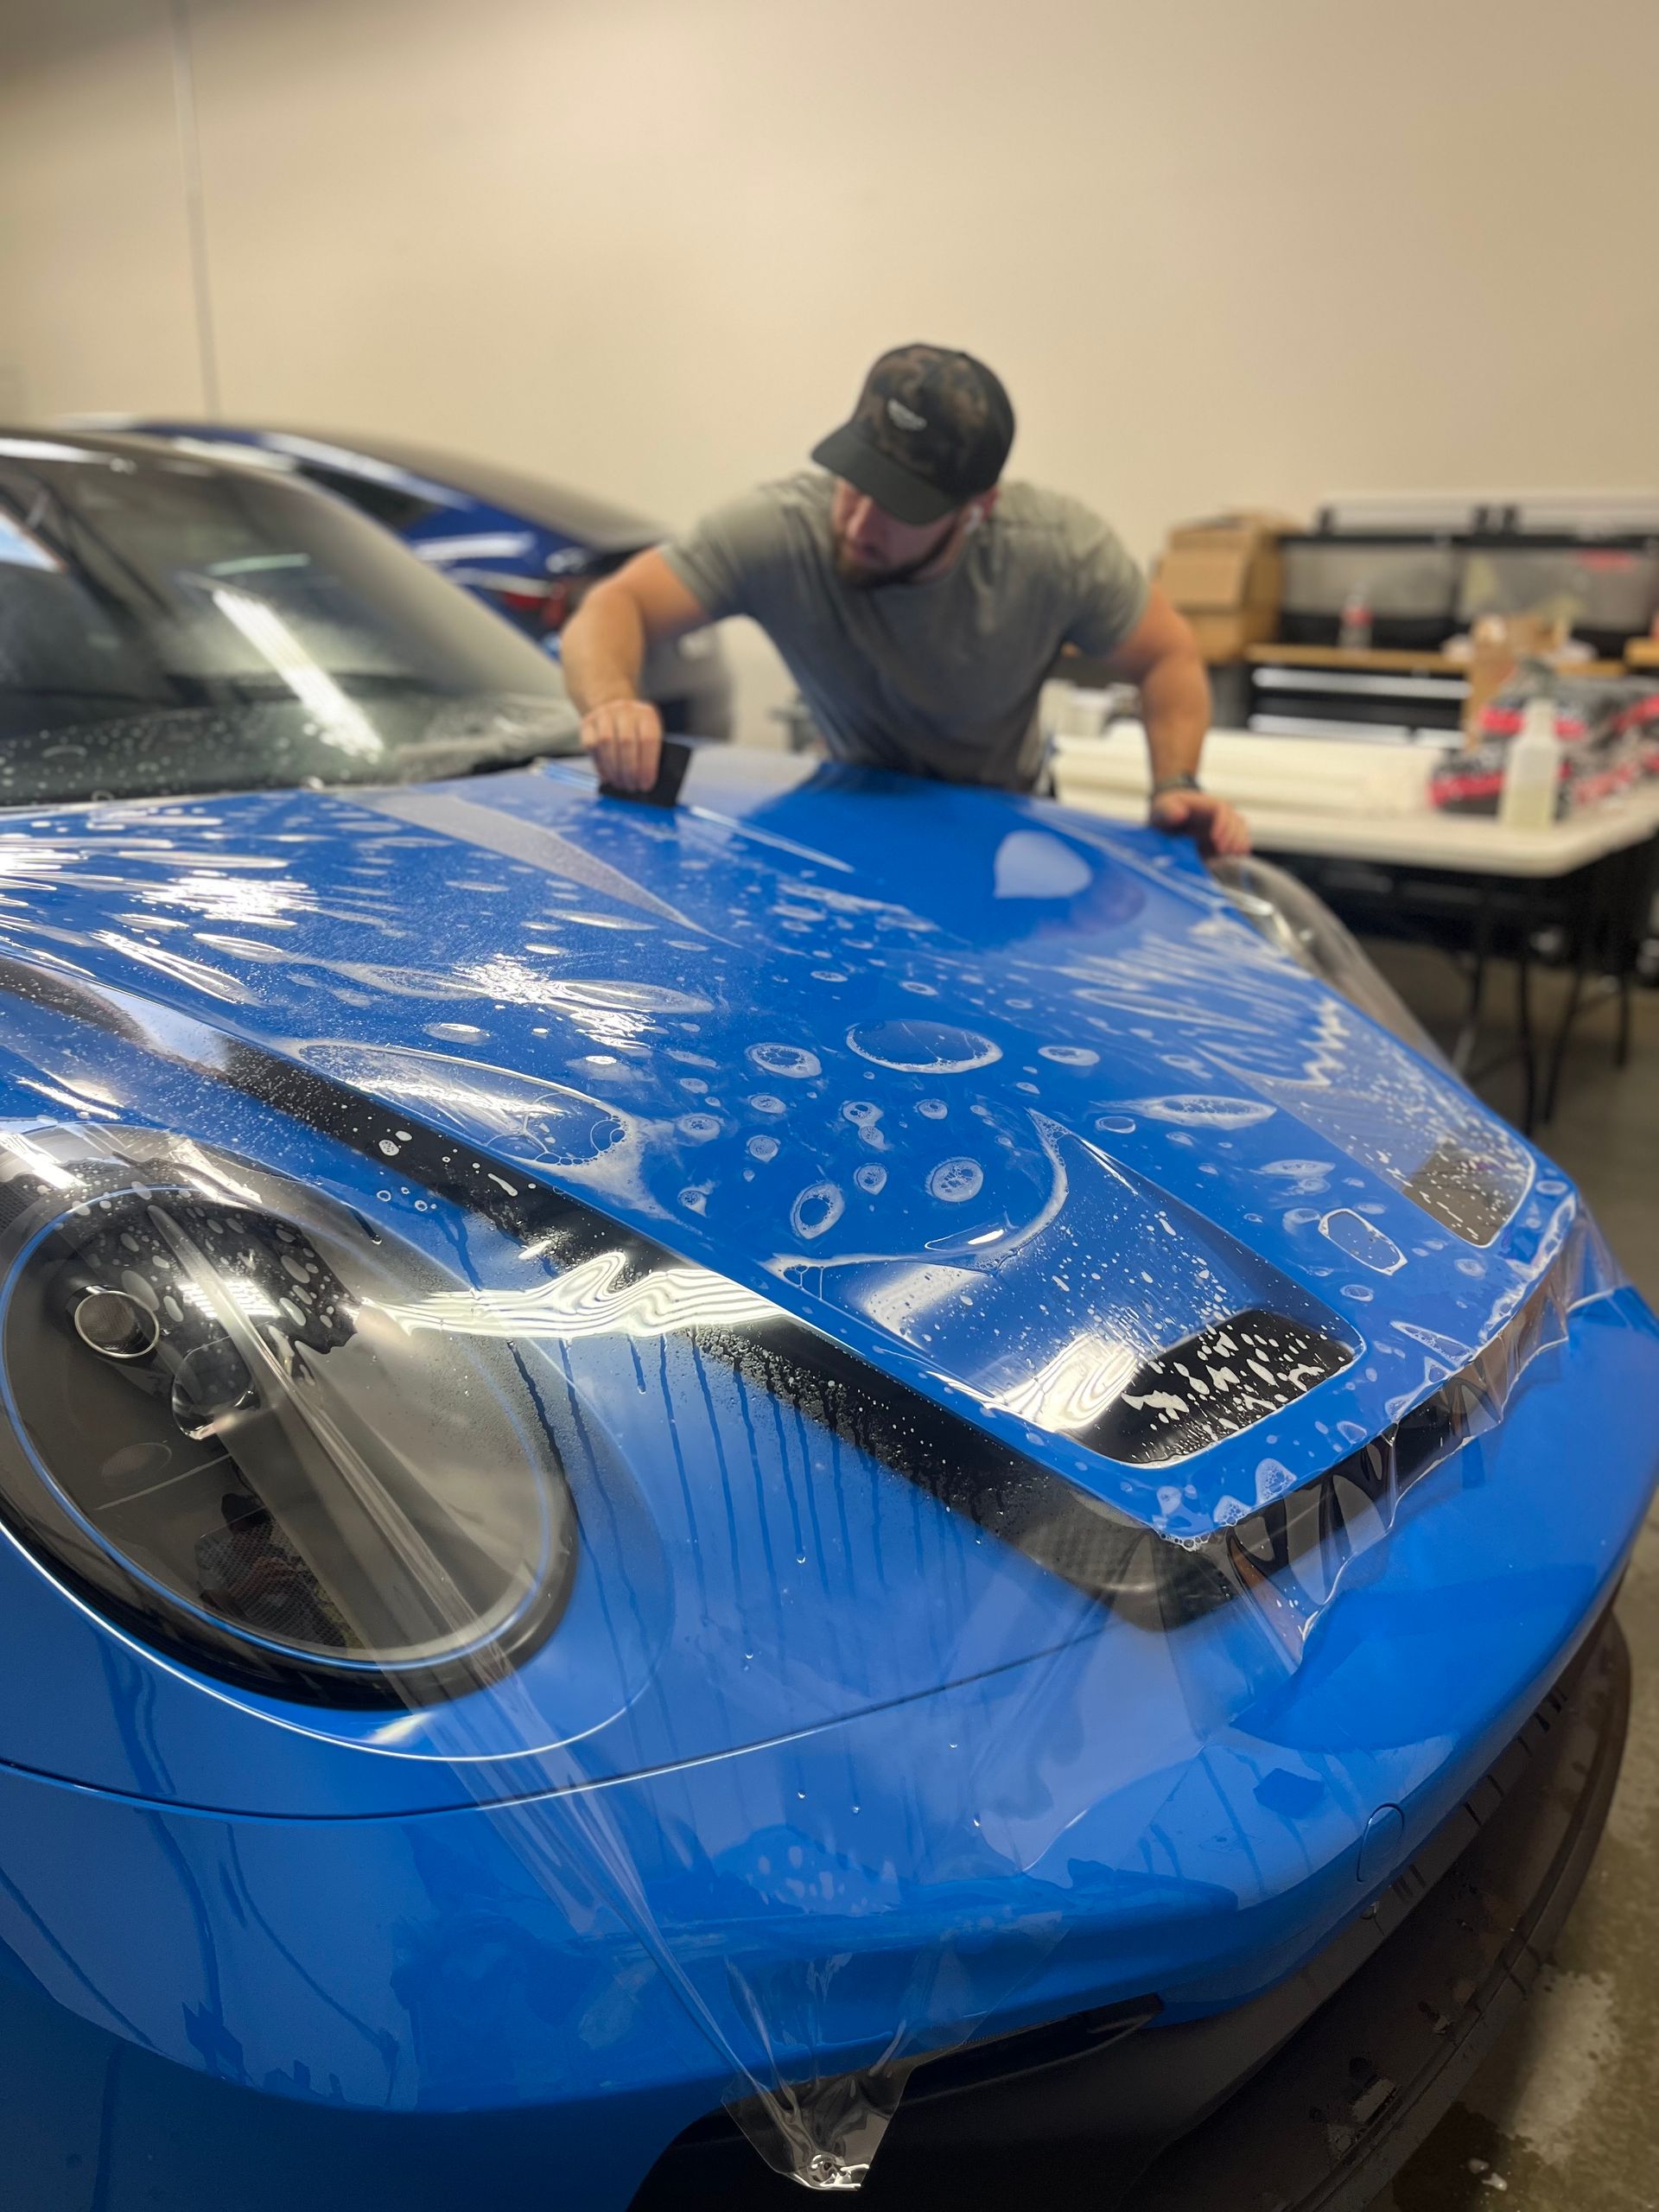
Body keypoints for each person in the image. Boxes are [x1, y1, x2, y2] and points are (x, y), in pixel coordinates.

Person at [562, 343, 1249, 856]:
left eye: (900, 508)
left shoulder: (1055, 551)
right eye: (854, 483)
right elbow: (616, 605)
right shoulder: (783, 529)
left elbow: (1168, 655)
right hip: (844, 810)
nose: (860, 524)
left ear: (977, 509)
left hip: (995, 828)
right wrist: (613, 701)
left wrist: (1175, 782)